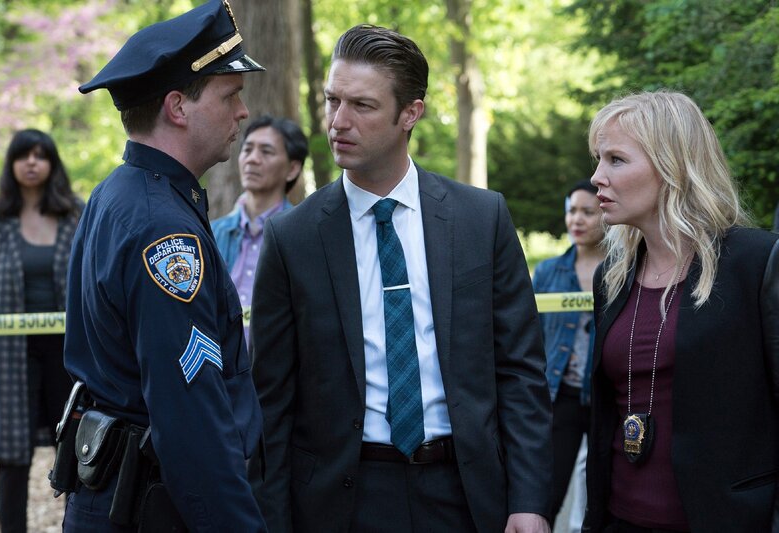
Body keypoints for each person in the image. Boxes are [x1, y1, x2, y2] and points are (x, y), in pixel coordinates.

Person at [247, 24, 552, 533]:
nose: (338, 122)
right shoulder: (292, 238)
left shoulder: (481, 219)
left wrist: (529, 500)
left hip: (465, 493)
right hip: (341, 501)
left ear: (411, 113)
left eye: (362, 106)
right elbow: (270, 403)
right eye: (332, 101)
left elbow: (520, 372)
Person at [62, 1, 267, 530]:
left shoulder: (120, 193)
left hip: (117, 497)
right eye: (230, 95)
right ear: (178, 107)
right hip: (151, 509)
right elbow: (190, 420)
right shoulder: (164, 230)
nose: (242, 112)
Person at [585, 90, 779, 532]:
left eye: (616, 160)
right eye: (599, 159)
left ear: (672, 166)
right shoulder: (611, 277)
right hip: (620, 519)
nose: (597, 176)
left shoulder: (757, 262)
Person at [0, 128, 82, 532]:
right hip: (10, 354)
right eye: (24, 155)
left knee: (78, 448)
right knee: (13, 454)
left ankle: (79, 524)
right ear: (12, 164)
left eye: (41, 155)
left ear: (53, 164)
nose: (32, 163)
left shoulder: (76, 215)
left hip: (70, 352)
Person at [532, 180, 604, 527]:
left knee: (605, 497)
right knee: (545, 495)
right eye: (572, 210)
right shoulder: (547, 272)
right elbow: (529, 336)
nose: (577, 219)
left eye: (588, 212)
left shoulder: (627, 268)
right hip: (559, 397)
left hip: (608, 399)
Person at [212, 115, 307, 343]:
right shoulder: (212, 234)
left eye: (266, 151)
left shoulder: (304, 235)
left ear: (292, 169)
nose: (252, 159)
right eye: (247, 150)